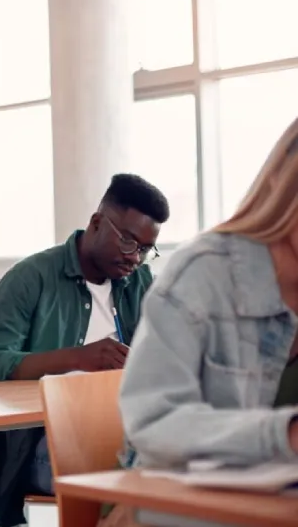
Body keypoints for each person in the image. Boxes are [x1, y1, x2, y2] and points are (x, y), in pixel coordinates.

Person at [109, 119, 298, 526]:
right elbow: (155, 423)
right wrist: (286, 435)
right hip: (178, 505)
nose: (135, 255)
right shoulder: (203, 274)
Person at [0, 174, 169, 527]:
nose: (135, 258)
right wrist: (77, 359)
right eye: (128, 242)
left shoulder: (139, 283)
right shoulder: (31, 278)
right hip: (37, 445)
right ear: (95, 223)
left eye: (145, 249)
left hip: (127, 434)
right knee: (141, 480)